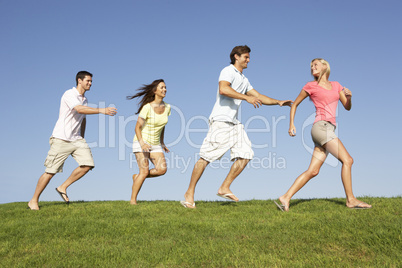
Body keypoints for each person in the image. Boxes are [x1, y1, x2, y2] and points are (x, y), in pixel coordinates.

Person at [181, 45, 293, 208]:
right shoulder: (228, 71)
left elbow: (258, 96)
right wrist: (246, 98)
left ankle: (224, 187)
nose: (249, 60)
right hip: (220, 121)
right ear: (236, 57)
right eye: (246, 57)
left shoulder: (244, 79)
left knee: (246, 154)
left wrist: (278, 102)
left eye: (248, 57)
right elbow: (223, 89)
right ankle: (189, 193)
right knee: (205, 158)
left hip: (234, 123)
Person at [275, 58, 372, 211]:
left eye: (316, 65)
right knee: (348, 160)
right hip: (321, 128)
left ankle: (285, 197)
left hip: (328, 129)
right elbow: (295, 104)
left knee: (313, 171)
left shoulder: (336, 85)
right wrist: (291, 124)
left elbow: (347, 107)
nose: (312, 67)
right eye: (311, 66)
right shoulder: (310, 86)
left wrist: (349, 97)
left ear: (325, 67)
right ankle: (351, 199)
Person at [27, 71, 117, 210]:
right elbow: (79, 110)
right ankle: (33, 200)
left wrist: (82, 136)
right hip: (61, 138)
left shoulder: (85, 99)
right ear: (79, 81)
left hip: (77, 140)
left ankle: (63, 187)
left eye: (91, 81)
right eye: (88, 81)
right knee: (51, 171)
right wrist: (102, 110)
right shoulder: (69, 94)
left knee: (88, 164)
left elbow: (83, 119)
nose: (90, 83)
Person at [127, 79, 171, 205]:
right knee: (144, 171)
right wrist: (142, 144)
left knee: (162, 169)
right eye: (162, 87)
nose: (164, 90)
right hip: (141, 141)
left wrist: (162, 143)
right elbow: (137, 127)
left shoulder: (167, 107)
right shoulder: (147, 107)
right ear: (155, 90)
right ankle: (133, 201)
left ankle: (137, 178)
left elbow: (162, 126)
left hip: (155, 144)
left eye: (165, 87)